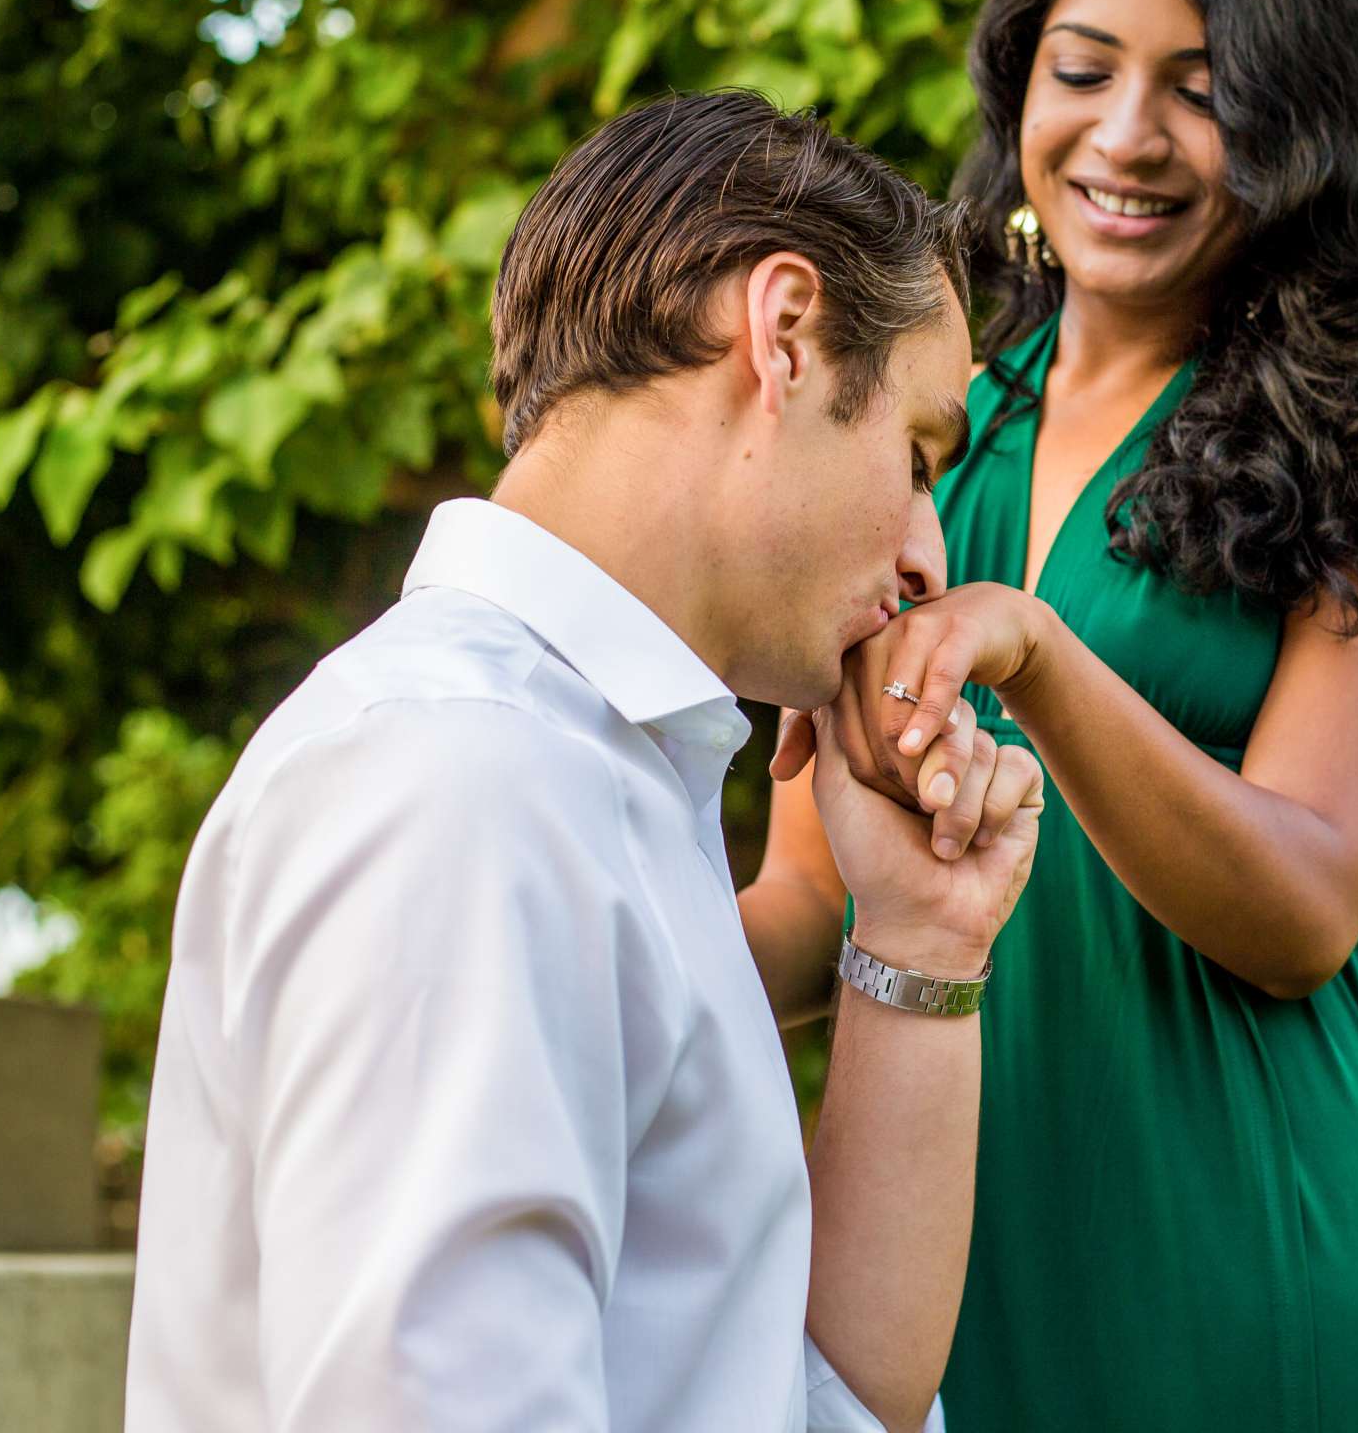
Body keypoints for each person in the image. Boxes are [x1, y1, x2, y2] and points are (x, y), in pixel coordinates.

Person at [750, 0, 1358, 1428]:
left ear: (1308, 125)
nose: (1127, 137)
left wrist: (1043, 658)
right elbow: (802, 896)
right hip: (949, 1246)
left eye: (1205, 87)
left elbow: (1308, 907)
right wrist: (564, 976)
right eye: (1084, 68)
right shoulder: (922, 419)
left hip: (1256, 1250)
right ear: (1020, 85)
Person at [124, 88, 1047, 1433]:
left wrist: (924, 932)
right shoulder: (461, 784)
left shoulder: (589, 783)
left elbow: (818, 1403)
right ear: (784, 335)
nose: (928, 556)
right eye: (915, 456)